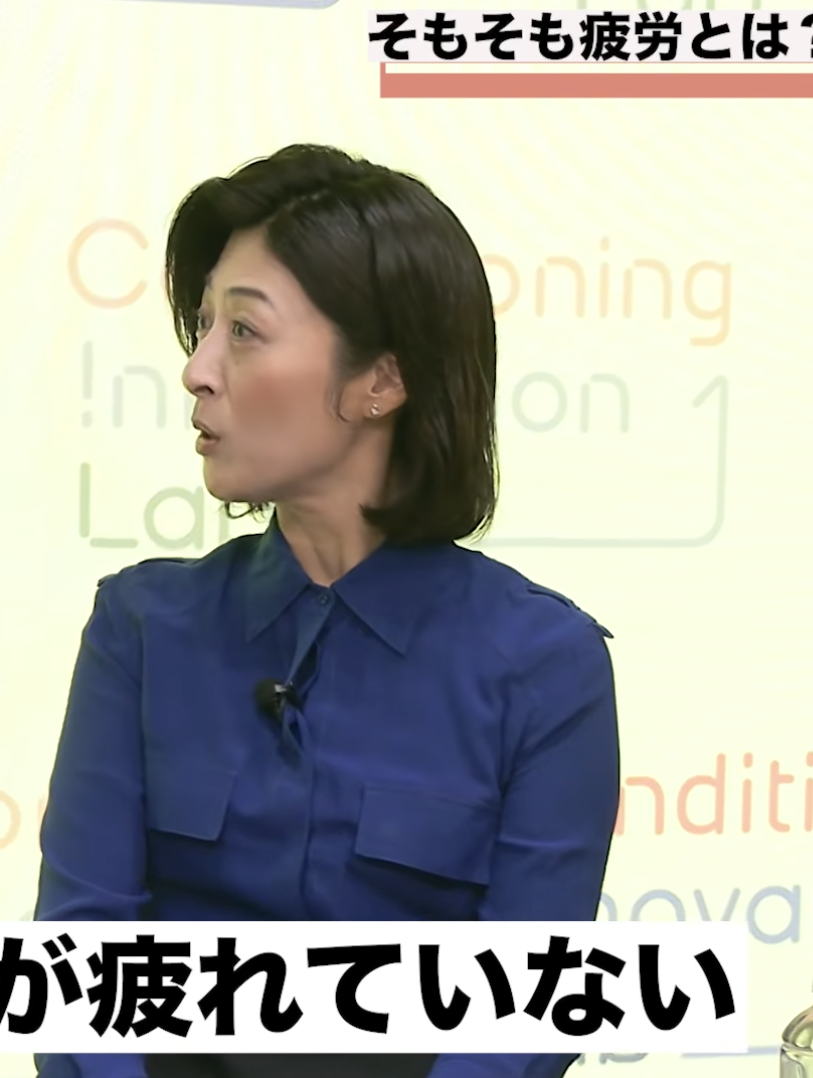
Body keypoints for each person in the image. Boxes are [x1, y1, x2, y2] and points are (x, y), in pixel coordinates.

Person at [32, 145, 621, 1078]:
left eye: (244, 330)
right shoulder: (140, 630)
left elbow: (522, 1017)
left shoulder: (546, 665)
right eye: (202, 326)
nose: (198, 370)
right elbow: (76, 964)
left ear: (380, 381)